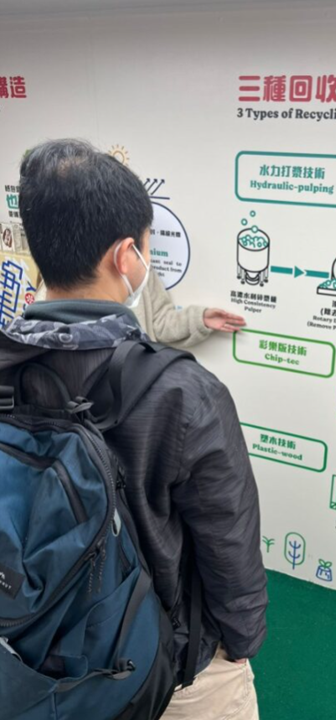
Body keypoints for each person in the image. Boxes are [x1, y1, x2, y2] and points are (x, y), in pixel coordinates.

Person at [0, 139, 268, 719]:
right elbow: (230, 545)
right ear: (126, 256)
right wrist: (239, 645)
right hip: (168, 664)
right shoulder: (186, 394)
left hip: (36, 651)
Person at [35, 265, 246, 348]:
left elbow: (160, 321)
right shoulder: (61, 276)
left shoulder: (139, 270)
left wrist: (198, 319)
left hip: (135, 384)